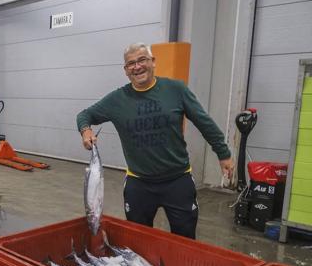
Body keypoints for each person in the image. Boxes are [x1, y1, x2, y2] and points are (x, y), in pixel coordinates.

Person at [77, 42, 234, 239]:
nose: (137, 66)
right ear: (126, 70)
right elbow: (85, 115)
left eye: (142, 60)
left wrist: (223, 153)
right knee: (138, 242)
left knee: (185, 240)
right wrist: (85, 130)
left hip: (178, 180)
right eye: (131, 63)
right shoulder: (117, 100)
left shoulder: (176, 90)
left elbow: (204, 122)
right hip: (139, 184)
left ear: (153, 62)